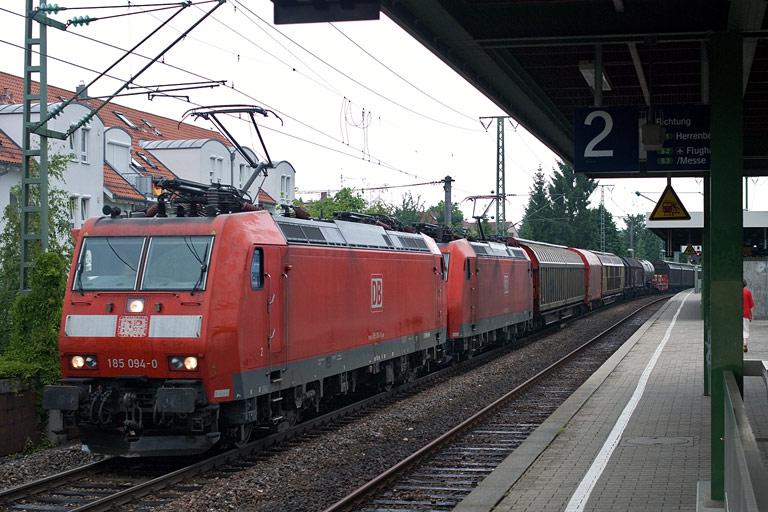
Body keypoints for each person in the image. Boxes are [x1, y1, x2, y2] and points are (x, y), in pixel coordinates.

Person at [743, 279, 755, 352]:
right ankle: (745, 342)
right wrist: (752, 315)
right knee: (745, 329)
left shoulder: (734, 292)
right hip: (745, 314)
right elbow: (751, 305)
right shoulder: (748, 292)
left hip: (735, 315)